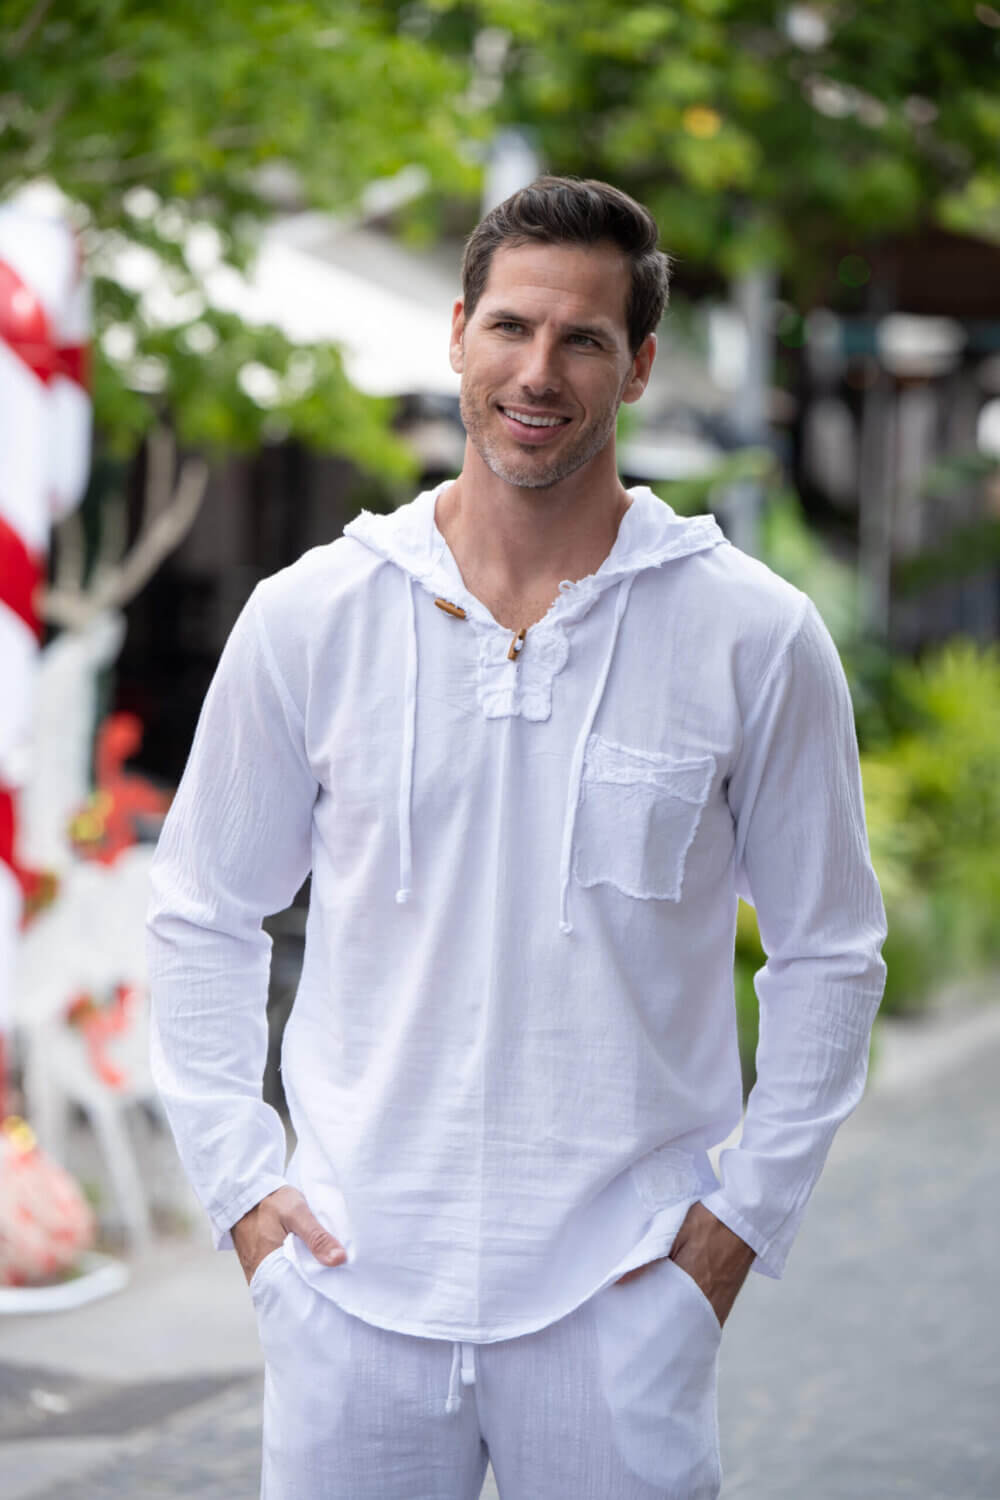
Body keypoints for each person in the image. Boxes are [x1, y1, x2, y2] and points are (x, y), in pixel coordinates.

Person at [147, 176, 887, 1500]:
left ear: (639, 365)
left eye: (583, 339)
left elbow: (831, 953)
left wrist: (732, 1237)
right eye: (511, 327)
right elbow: (203, 910)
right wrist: (245, 1198)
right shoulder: (313, 616)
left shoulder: (752, 635)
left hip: (621, 1294)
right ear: (458, 333)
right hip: (349, 1287)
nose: (537, 371)